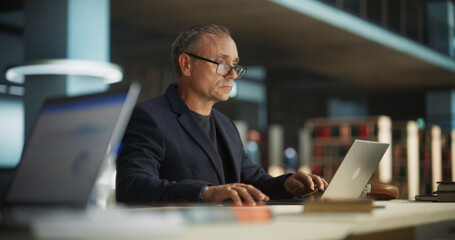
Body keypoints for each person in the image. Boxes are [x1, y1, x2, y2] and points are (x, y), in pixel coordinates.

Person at [116, 24, 328, 206]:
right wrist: (205, 192)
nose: (232, 74)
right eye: (222, 63)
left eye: (234, 65)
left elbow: (254, 182)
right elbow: (132, 185)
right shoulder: (150, 117)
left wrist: (287, 185)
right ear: (186, 65)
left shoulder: (226, 125)